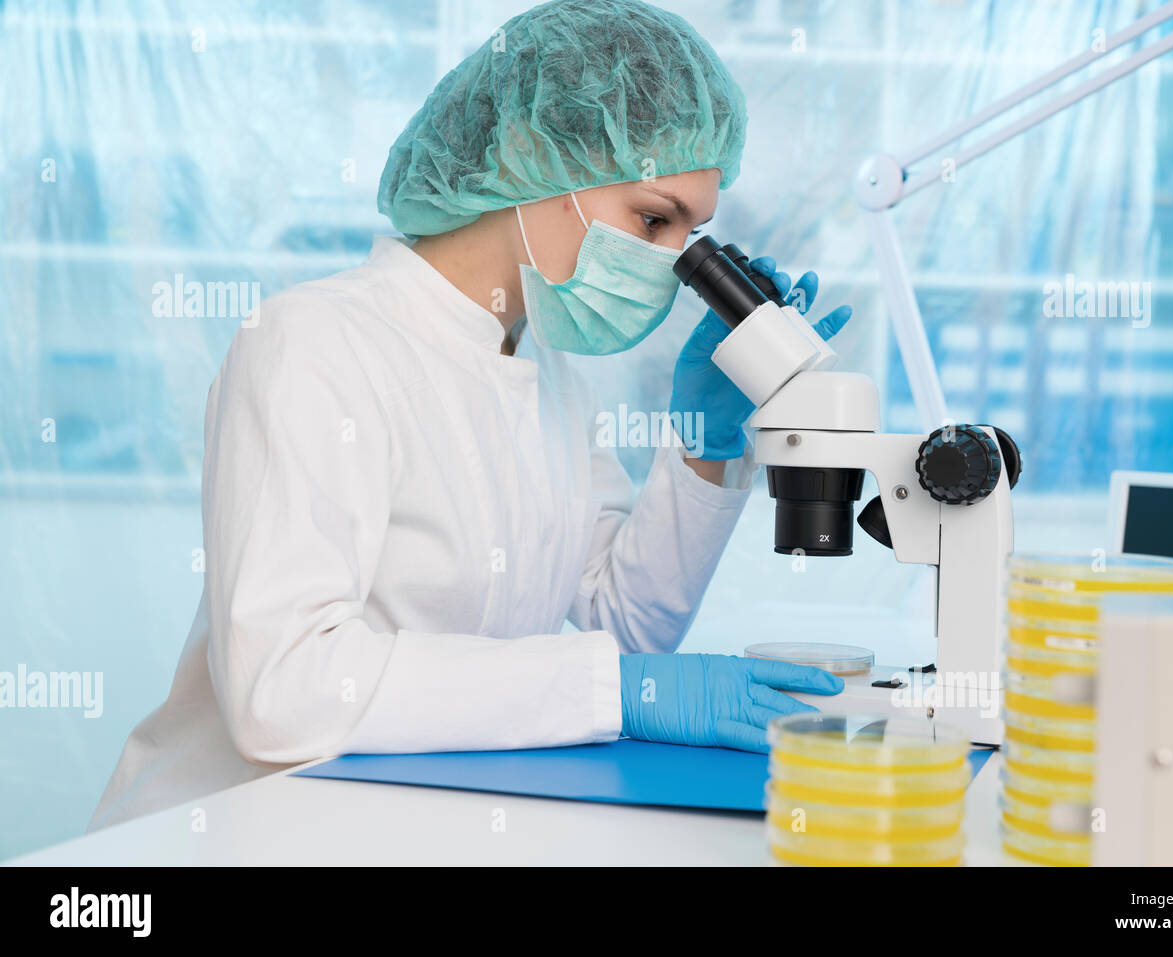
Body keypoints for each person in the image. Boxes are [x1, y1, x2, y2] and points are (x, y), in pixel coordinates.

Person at [89, 0, 854, 831]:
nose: (674, 264)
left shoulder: (546, 370)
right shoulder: (313, 343)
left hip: (417, 823)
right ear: (532, 153)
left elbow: (623, 627)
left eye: (693, 233)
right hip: (232, 834)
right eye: (652, 219)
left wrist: (704, 446)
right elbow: (285, 691)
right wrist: (617, 693)